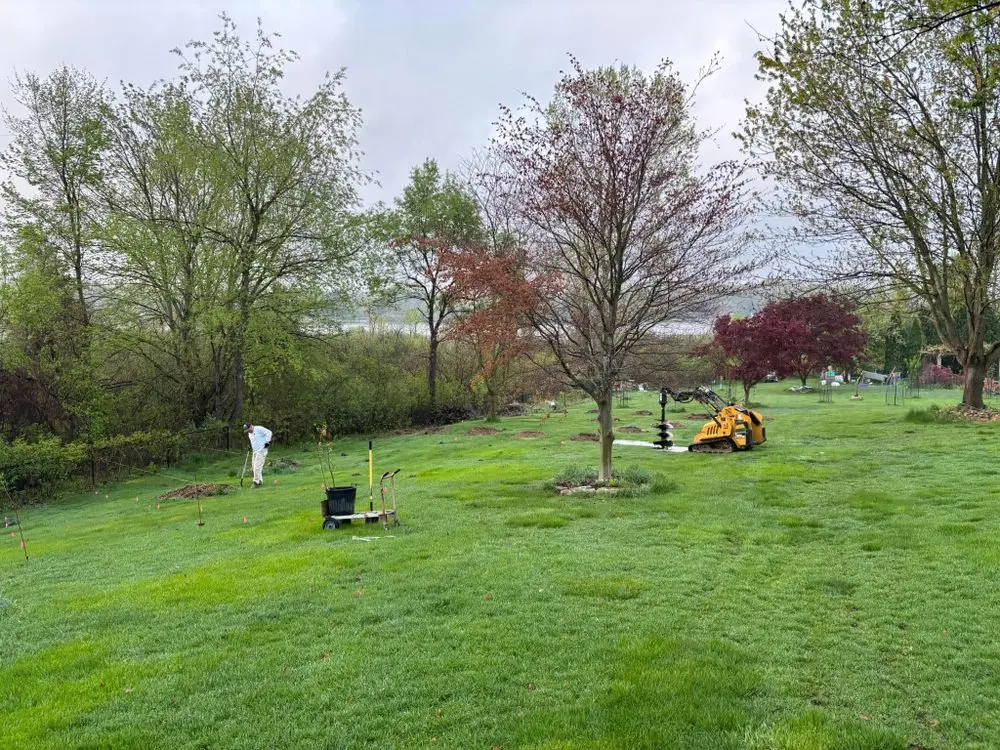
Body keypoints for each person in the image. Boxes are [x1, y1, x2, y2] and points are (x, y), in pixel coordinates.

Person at [243, 422, 273, 487]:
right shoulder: (249, 433)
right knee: (254, 467)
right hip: (255, 451)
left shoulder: (259, 428)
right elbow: (254, 440)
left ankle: (255, 482)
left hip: (262, 450)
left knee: (257, 467)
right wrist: (250, 446)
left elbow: (269, 432)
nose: (248, 431)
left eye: (248, 429)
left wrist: (267, 442)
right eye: (247, 430)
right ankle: (260, 481)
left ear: (251, 426)